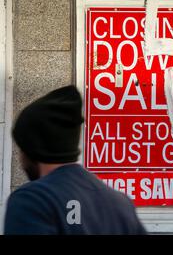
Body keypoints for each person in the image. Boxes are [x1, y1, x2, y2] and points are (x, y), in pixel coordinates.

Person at [3, 85, 147, 235]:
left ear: (33, 148)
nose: (20, 158)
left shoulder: (33, 201)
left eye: (21, 148)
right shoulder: (121, 204)